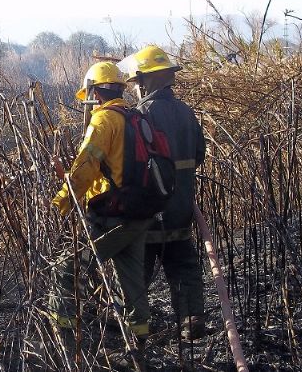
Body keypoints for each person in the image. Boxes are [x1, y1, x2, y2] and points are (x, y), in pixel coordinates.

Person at [48, 61, 153, 367]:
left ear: (95, 91)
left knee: (66, 269)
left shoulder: (104, 121)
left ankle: (65, 344)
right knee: (131, 281)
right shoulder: (135, 117)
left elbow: (84, 169)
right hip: (139, 214)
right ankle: (139, 349)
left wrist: (61, 201)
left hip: (113, 216)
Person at [121, 45, 208, 341]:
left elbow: (129, 164)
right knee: (183, 264)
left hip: (149, 212)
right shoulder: (186, 112)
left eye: (137, 82)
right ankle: (191, 318)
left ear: (144, 81)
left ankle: (135, 331)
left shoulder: (140, 114)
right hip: (181, 208)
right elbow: (199, 155)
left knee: (137, 271)